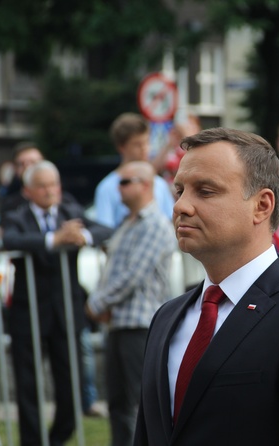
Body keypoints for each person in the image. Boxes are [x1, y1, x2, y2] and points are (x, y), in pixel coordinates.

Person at [134, 127, 279, 446]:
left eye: (205, 191)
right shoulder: (167, 318)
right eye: (179, 191)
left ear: (261, 205)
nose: (181, 207)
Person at [2, 161, 112, 446]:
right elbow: (10, 239)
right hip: (29, 313)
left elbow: (104, 229)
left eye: (54, 185)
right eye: (42, 186)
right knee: (28, 387)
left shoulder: (71, 212)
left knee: (73, 387)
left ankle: (55, 439)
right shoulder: (17, 215)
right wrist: (54, 239)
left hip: (66, 312)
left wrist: (82, 237)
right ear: (28, 190)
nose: (50, 191)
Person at [86, 161, 176, 446]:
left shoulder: (155, 225)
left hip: (140, 325)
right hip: (120, 324)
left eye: (125, 182)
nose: (119, 188)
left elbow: (132, 275)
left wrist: (97, 303)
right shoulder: (128, 222)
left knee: (138, 406)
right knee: (118, 404)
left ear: (146, 185)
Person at [95, 113, 174, 227]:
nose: (144, 149)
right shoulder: (107, 188)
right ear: (121, 147)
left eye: (147, 142)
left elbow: (170, 224)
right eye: (137, 144)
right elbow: (104, 230)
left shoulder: (160, 184)